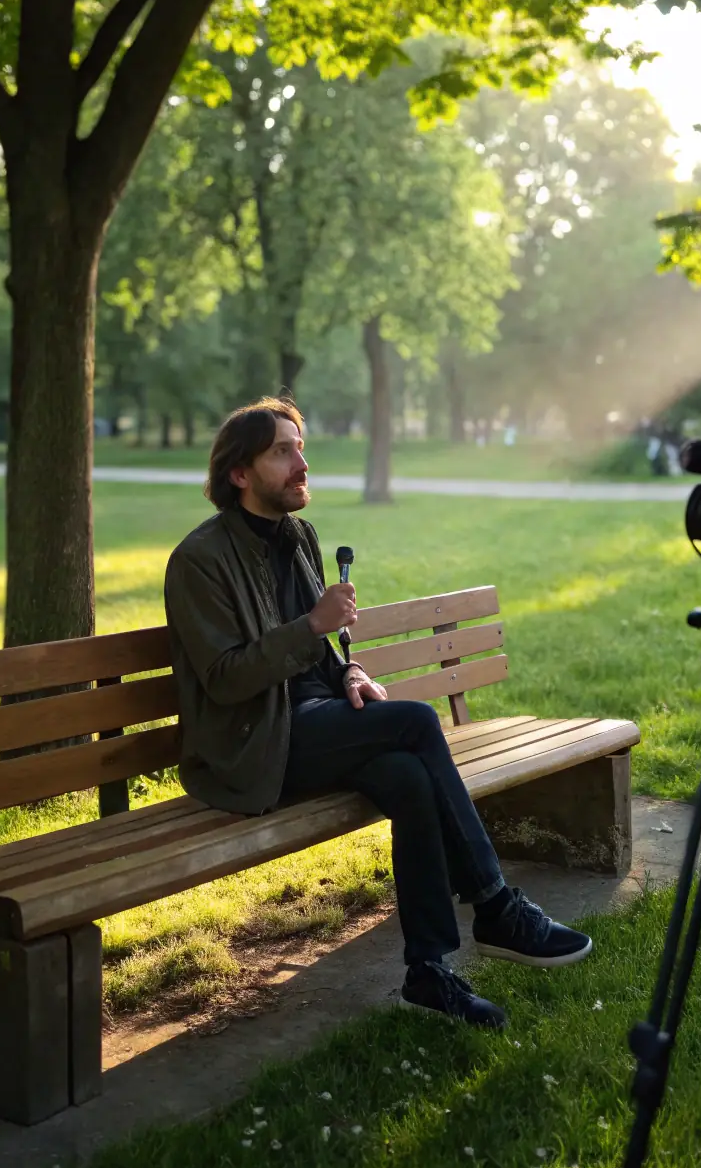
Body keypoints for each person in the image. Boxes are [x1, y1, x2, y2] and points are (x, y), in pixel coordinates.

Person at [163, 396, 591, 1030]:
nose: (301, 463)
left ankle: (428, 971)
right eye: (282, 452)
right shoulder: (199, 561)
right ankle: (497, 906)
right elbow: (226, 681)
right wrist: (314, 625)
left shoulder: (297, 536)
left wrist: (352, 671)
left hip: (316, 720)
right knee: (417, 723)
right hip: (254, 745)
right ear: (240, 474)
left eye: (299, 447)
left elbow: (322, 658)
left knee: (409, 777)